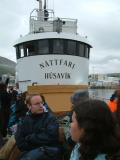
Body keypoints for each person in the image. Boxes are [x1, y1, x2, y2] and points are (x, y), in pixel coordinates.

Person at [15, 94, 62, 160]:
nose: (41, 106)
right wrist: (35, 145)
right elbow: (20, 143)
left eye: (41, 103)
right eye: (37, 104)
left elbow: (51, 137)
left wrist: (29, 138)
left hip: (49, 153)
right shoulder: (23, 121)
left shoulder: (50, 118)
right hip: (29, 153)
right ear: (29, 106)